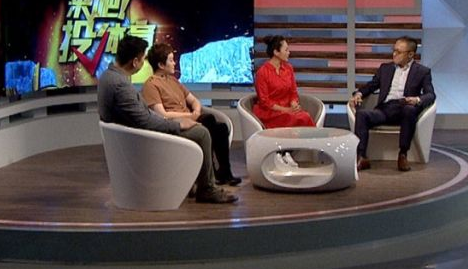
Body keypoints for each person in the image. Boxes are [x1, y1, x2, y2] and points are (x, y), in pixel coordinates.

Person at [98, 35, 238, 204]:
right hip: (143, 138)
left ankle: (211, 178)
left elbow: (145, 116)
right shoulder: (122, 85)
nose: (143, 64)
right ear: (135, 62)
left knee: (212, 125)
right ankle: (207, 188)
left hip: (138, 133)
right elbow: (146, 121)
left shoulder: (109, 76)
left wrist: (189, 116)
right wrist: (177, 125)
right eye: (142, 59)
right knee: (202, 133)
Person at [142, 43, 242, 186]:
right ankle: (210, 175)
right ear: (161, 65)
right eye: (171, 60)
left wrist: (195, 111)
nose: (174, 63)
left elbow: (194, 100)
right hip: (175, 124)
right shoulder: (151, 85)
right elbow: (162, 114)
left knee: (221, 128)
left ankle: (224, 173)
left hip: (190, 118)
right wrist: (190, 116)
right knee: (209, 123)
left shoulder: (173, 80)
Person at [350, 36, 435, 172]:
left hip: (404, 108)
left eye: (398, 52)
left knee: (409, 110)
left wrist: (417, 99)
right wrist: (358, 94)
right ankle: (361, 157)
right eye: (393, 50)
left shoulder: (422, 71)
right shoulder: (385, 68)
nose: (394, 54)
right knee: (362, 114)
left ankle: (403, 154)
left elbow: (430, 94)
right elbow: (371, 86)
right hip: (385, 109)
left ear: (410, 54)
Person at [253, 35, 316, 129]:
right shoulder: (262, 73)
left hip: (288, 110)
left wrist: (293, 103)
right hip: (270, 113)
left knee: (304, 116)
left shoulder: (288, 68)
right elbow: (265, 102)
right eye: (286, 50)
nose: (289, 53)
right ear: (276, 52)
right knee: (303, 118)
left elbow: (293, 92)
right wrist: (286, 110)